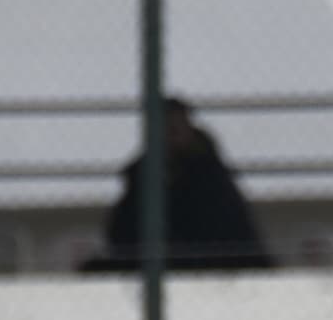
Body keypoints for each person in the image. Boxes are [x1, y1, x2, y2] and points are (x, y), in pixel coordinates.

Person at [95, 98, 274, 274]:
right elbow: (123, 230)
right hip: (160, 261)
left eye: (174, 128)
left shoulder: (209, 176)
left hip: (211, 263)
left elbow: (221, 230)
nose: (168, 135)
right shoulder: (142, 177)